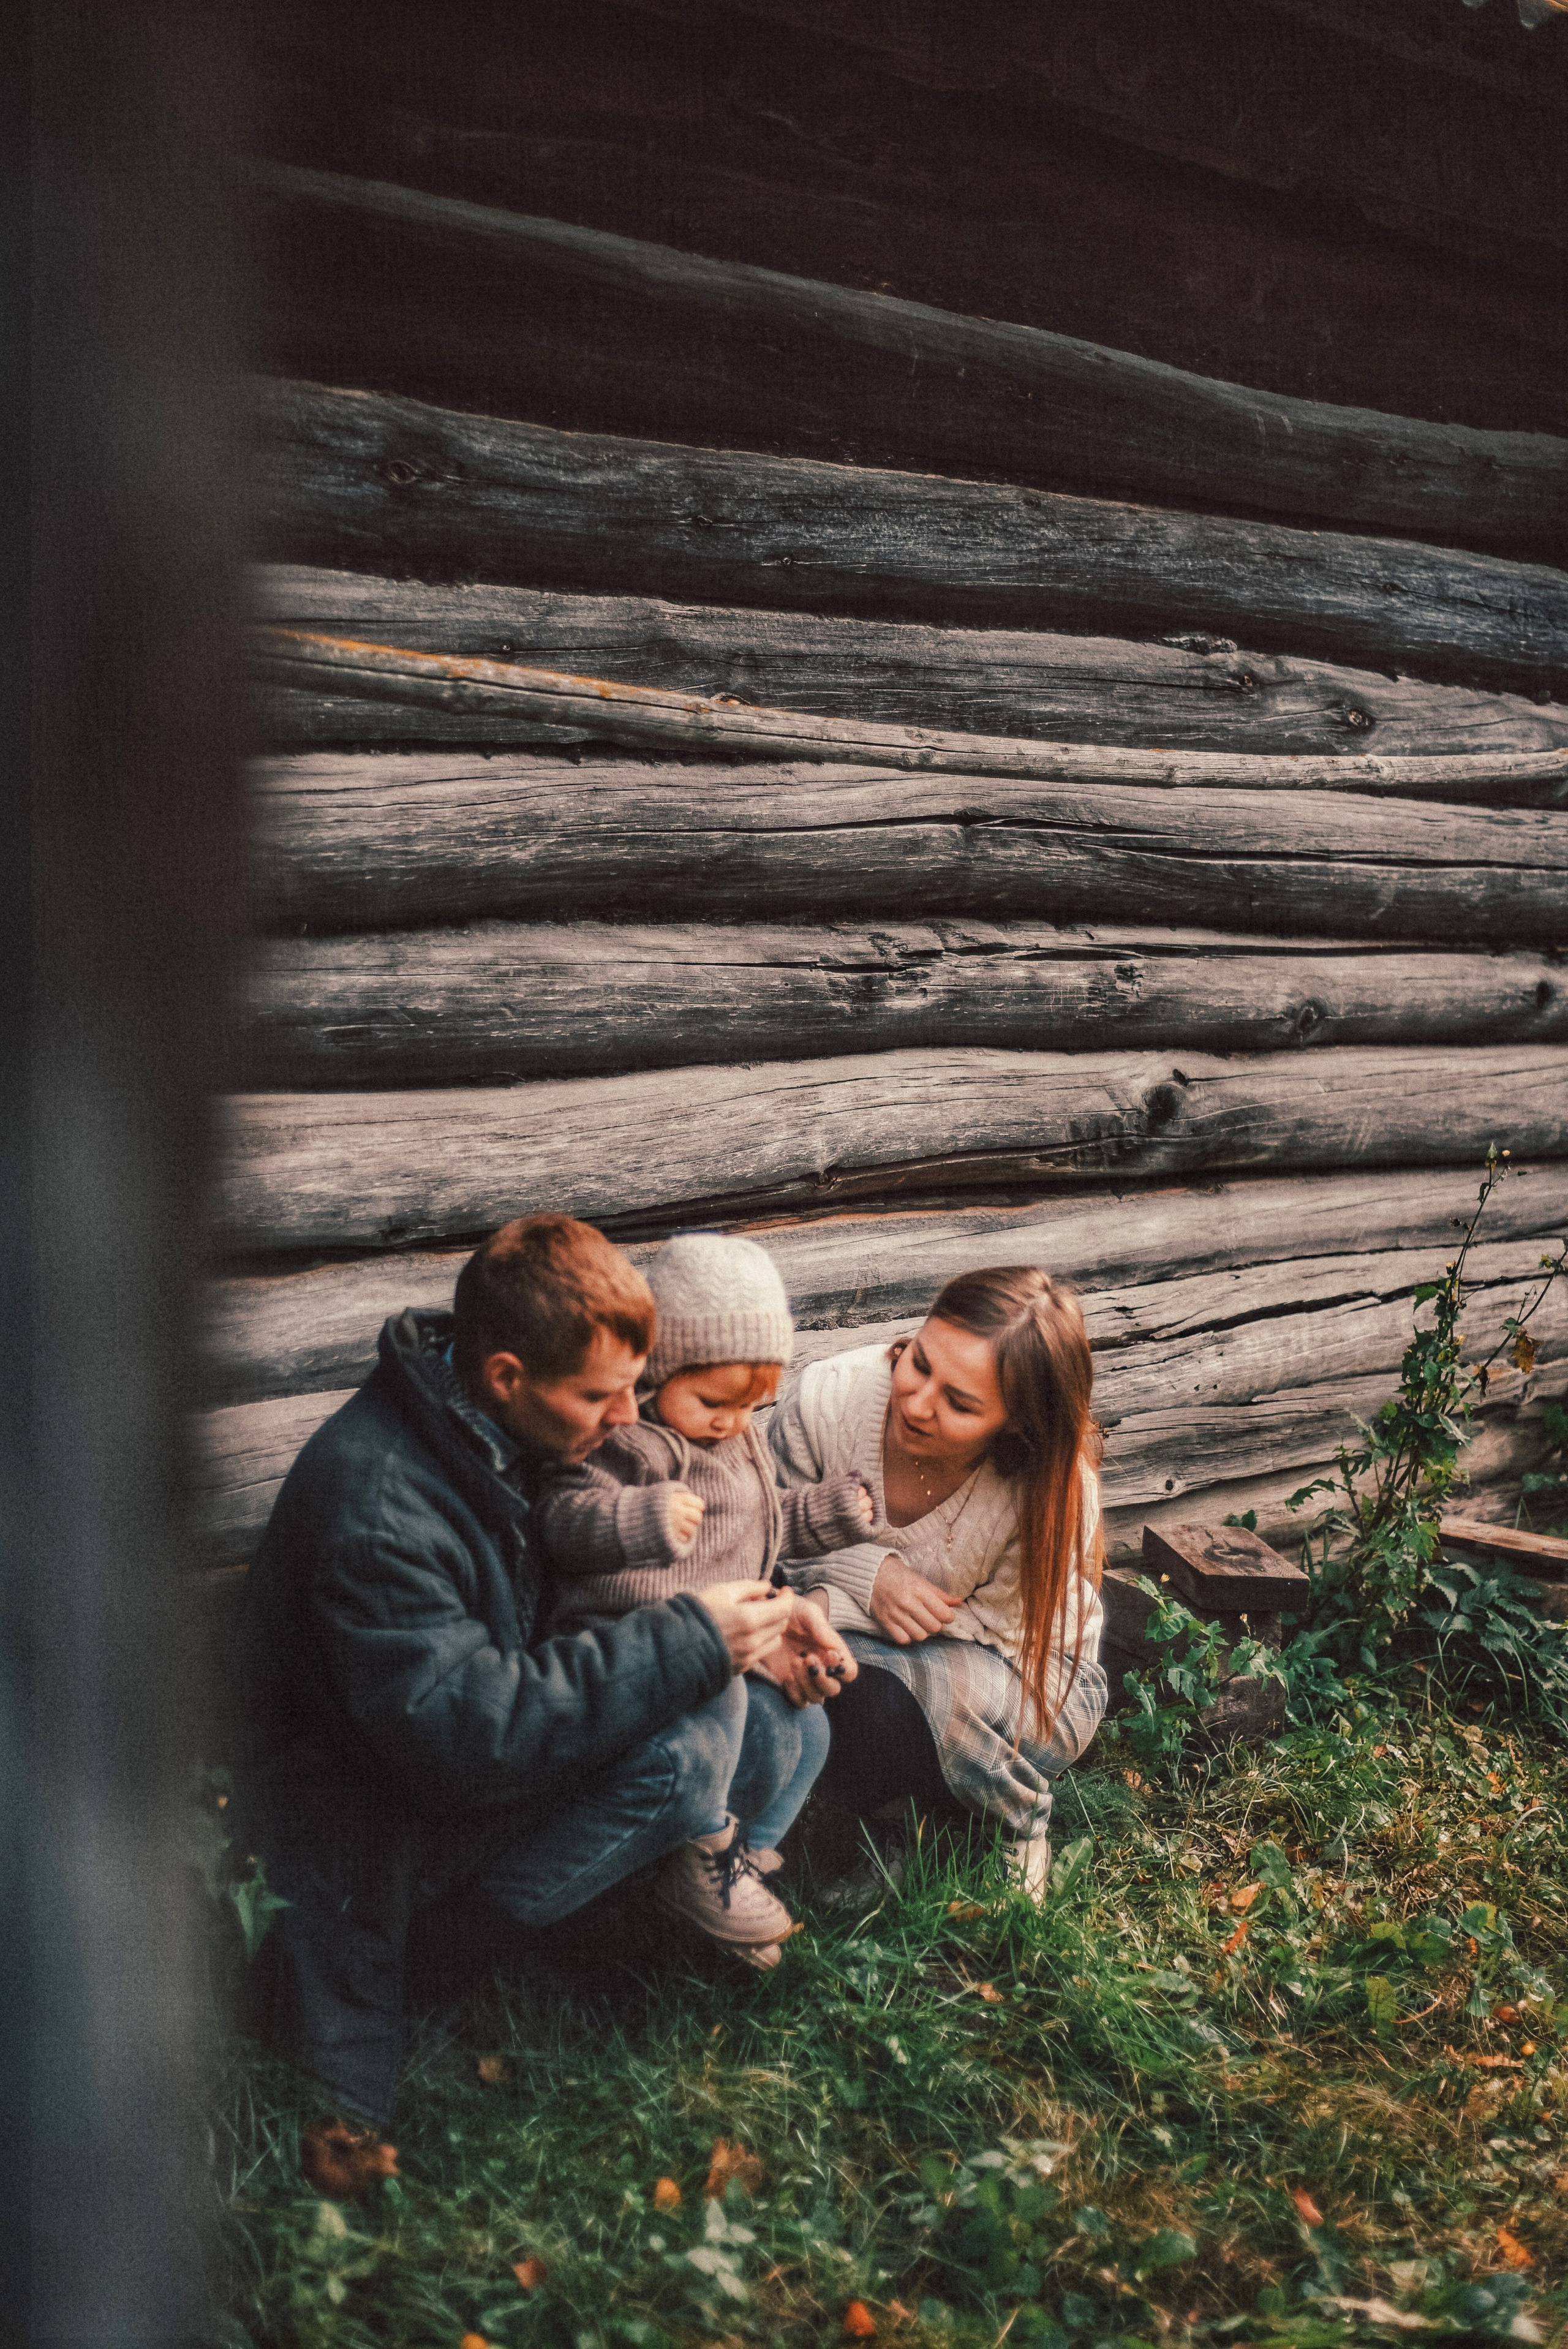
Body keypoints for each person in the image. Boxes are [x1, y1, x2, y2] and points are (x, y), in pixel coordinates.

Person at [235, 1213, 855, 2124]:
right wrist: (692, 1639)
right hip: (367, 1830)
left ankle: (676, 1899)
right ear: (506, 1376)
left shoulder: (495, 1424)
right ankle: (440, 1969)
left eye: (636, 1388)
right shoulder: (380, 1512)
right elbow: (464, 1737)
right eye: (604, 1395)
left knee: (776, 1718)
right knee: (683, 1753)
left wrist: (766, 1613)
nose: (628, 1418)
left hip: (469, 1753)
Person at [535, 1233, 876, 1964]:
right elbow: (561, 1521)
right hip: (632, 1637)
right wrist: (639, 1518)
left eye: (754, 1404)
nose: (733, 1421)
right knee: (719, 1702)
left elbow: (767, 1525)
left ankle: (741, 1857)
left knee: (811, 1730)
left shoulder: (736, 1439)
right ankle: (704, 1846)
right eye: (715, 1401)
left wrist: (832, 1512)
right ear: (659, 1370)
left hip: (719, 1632)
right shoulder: (630, 1443)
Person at [769, 1265, 1107, 1896]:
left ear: (1017, 1424)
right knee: (821, 1669)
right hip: (876, 1654)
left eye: (960, 1403)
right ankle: (908, 1817)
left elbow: (998, 1631)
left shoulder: (1051, 1488)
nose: (917, 1401)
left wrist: (832, 1601)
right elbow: (764, 1537)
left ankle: (1016, 1819)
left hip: (1030, 1676)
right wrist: (865, 1577)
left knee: (876, 1693)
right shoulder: (828, 1398)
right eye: (919, 1362)